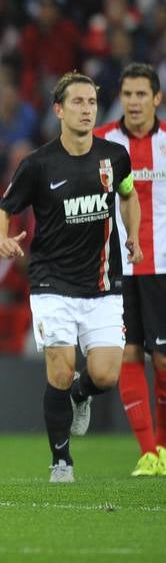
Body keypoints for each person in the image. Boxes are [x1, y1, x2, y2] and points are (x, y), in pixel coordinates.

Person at [0, 72, 142, 483]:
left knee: (107, 375)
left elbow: (128, 195)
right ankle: (62, 461)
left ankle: (81, 394)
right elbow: (1, 212)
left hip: (103, 283)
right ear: (59, 110)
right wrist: (1, 240)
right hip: (51, 282)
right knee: (59, 370)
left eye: (92, 102)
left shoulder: (115, 156)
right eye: (77, 102)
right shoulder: (37, 165)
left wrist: (135, 238)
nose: (87, 109)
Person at [93, 63, 166, 476]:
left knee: (163, 360)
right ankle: (147, 452)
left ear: (156, 98)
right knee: (129, 353)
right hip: (115, 266)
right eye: (128, 94)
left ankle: (163, 445)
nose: (134, 102)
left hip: (162, 265)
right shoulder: (102, 141)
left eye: (142, 94)